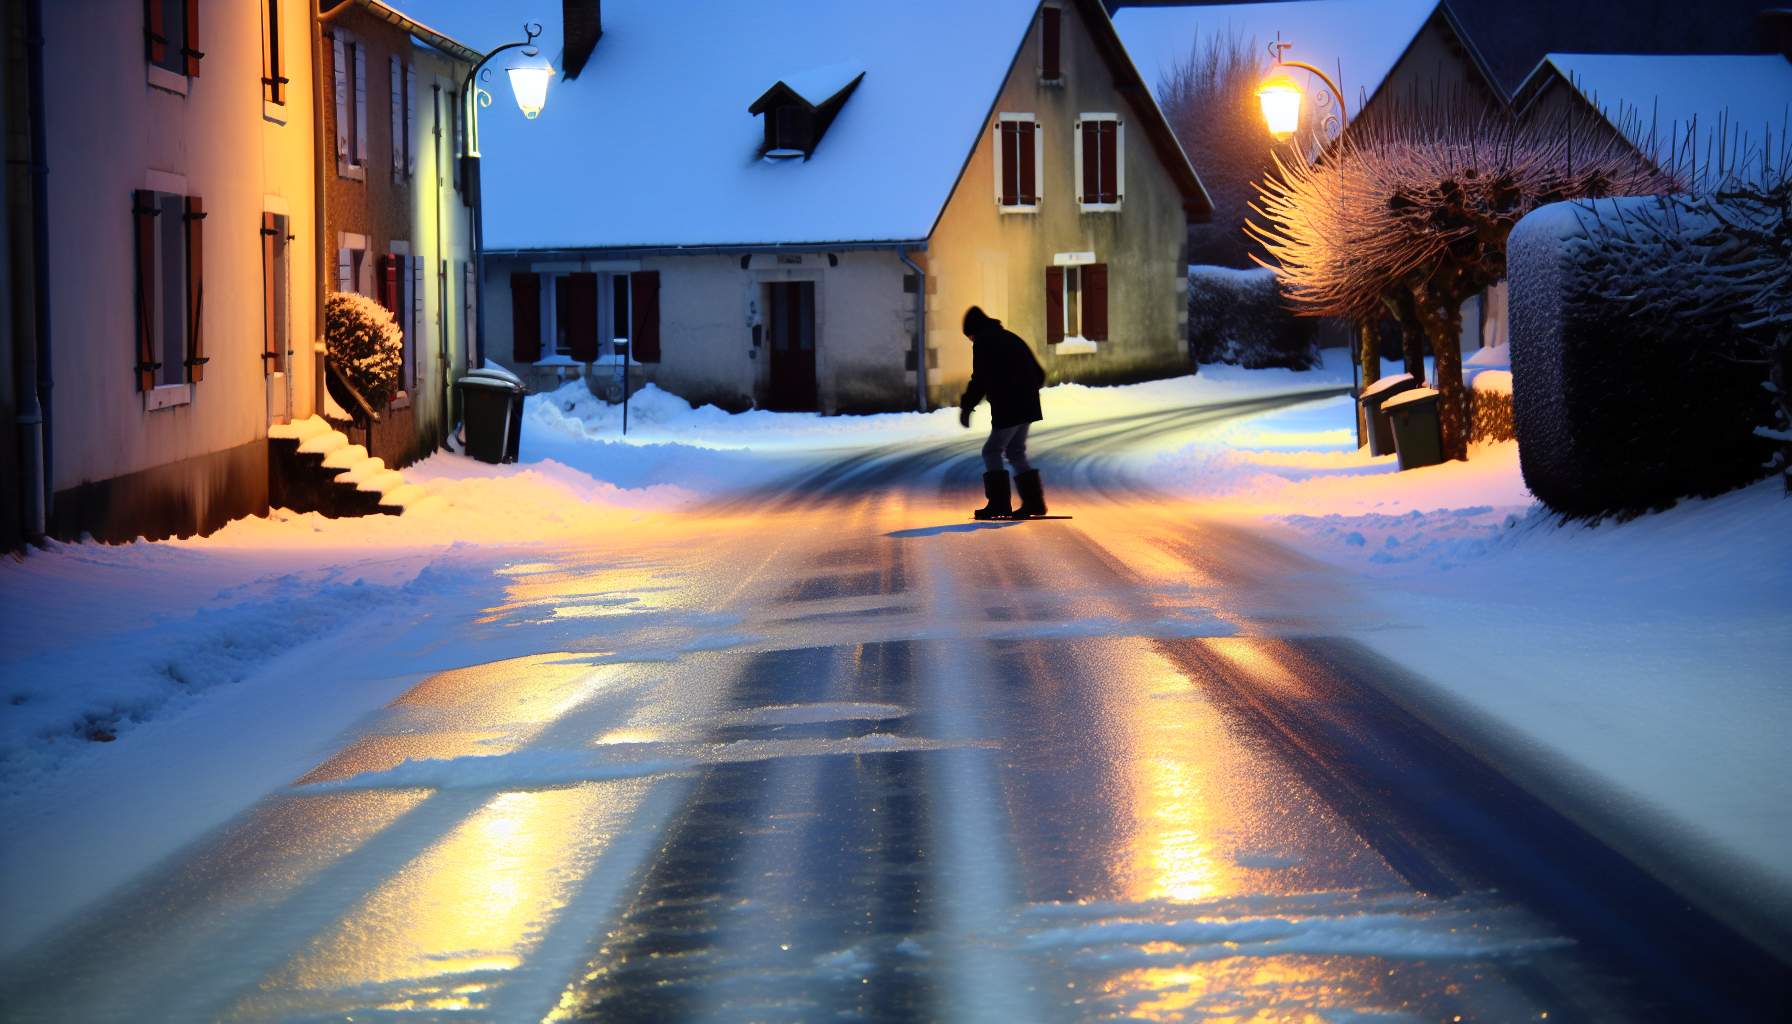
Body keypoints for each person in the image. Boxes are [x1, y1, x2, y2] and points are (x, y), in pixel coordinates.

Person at [958, 306, 1049, 519]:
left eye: (970, 336)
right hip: (1028, 404)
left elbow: (979, 379)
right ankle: (1034, 502)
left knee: (991, 451)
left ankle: (999, 503)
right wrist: (1025, 390)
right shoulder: (1010, 337)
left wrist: (966, 407)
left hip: (1009, 406)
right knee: (1015, 451)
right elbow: (1039, 373)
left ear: (974, 331)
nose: (971, 340)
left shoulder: (984, 342)